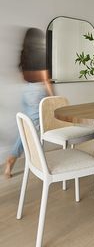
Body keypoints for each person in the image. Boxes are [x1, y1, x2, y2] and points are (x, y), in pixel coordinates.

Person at [4, 28, 53, 178]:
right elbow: (45, 79)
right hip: (38, 91)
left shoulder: (23, 54)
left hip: (26, 91)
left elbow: (23, 75)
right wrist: (52, 97)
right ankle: (12, 158)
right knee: (30, 128)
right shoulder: (41, 53)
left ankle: (22, 159)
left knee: (25, 126)